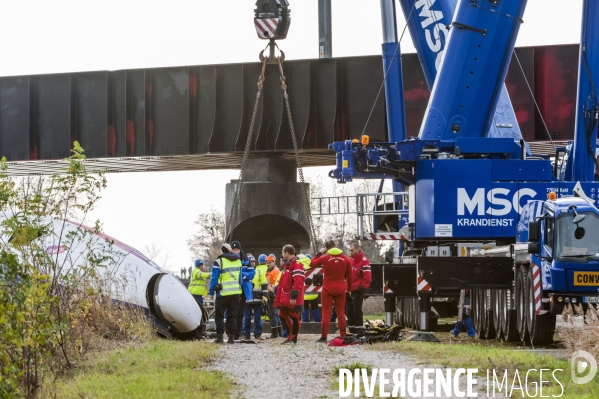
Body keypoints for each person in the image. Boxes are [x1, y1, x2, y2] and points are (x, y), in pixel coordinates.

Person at [310, 239, 352, 343]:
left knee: (326, 313)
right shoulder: (346, 259)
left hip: (327, 288)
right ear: (336, 245)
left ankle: (324, 337)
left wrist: (320, 253)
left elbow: (311, 264)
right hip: (341, 288)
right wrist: (349, 290)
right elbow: (350, 277)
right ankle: (343, 336)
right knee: (341, 313)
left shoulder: (325, 258)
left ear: (327, 248)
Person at [209, 243, 243, 344]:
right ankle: (231, 337)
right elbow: (240, 278)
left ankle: (220, 337)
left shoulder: (219, 262)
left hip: (223, 293)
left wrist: (211, 292)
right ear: (230, 250)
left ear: (222, 251)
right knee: (232, 315)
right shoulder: (238, 261)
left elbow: (214, 278)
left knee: (219, 315)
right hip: (236, 292)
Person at [274, 244, 305, 344]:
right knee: (282, 314)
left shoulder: (297, 266)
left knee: (294, 315)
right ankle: (290, 334)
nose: (282, 254)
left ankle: (293, 337)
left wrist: (294, 295)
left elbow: (298, 282)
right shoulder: (287, 266)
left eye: (283, 252)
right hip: (285, 296)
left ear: (287, 253)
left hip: (292, 297)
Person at [347, 242, 372, 334]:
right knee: (349, 311)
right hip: (349, 290)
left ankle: (359, 330)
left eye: (352, 250)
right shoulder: (350, 260)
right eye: (350, 250)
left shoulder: (364, 261)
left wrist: (363, 287)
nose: (351, 252)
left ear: (358, 249)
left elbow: (367, 276)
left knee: (356, 310)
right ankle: (351, 329)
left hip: (358, 289)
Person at [232, 241, 253, 340]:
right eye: (234, 250)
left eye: (237, 250)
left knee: (240, 313)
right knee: (232, 312)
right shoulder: (229, 260)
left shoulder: (246, 260)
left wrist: (243, 276)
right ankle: (231, 331)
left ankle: (237, 333)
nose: (236, 252)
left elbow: (251, 274)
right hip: (232, 289)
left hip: (243, 290)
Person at [244, 254, 268, 340]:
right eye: (251, 262)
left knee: (258, 318)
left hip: (258, 299)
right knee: (247, 318)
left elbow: (264, 284)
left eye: (254, 262)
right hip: (247, 299)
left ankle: (257, 334)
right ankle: (246, 334)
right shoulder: (244, 271)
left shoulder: (259, 271)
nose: (253, 263)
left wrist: (265, 296)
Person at [298, 254, 321, 323]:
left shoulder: (299, 265)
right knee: (315, 308)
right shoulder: (314, 266)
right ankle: (317, 322)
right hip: (314, 292)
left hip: (303, 293)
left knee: (304, 308)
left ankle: (305, 322)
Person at [264, 254, 281, 338]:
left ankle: (275, 333)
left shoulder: (275, 271)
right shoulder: (270, 271)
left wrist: (271, 292)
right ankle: (279, 332)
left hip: (273, 295)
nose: (268, 264)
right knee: (274, 314)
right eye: (267, 262)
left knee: (272, 313)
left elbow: (275, 284)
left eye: (270, 262)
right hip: (271, 294)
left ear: (274, 262)